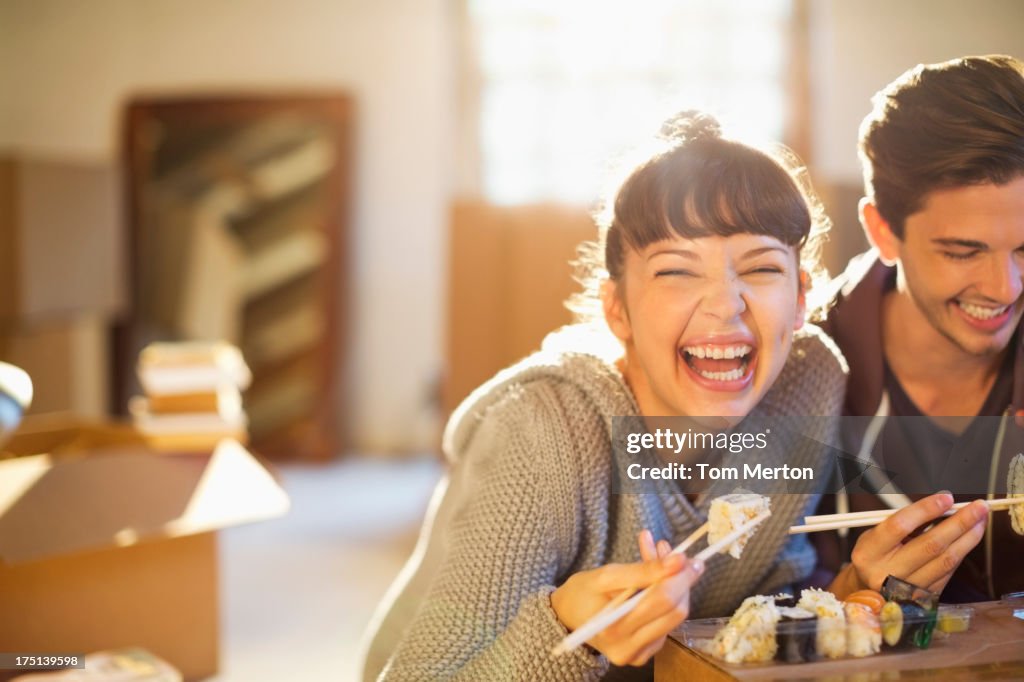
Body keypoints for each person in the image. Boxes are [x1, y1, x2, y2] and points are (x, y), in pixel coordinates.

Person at [358, 111, 958, 682]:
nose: (725, 305)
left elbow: (760, 597)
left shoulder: (808, 379)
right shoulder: (542, 432)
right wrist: (571, 629)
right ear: (616, 307)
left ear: (801, 298)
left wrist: (855, 587)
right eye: (676, 270)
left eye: (761, 269)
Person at [821, 55, 1024, 601]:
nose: (1005, 288)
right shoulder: (793, 372)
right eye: (963, 251)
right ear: (883, 232)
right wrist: (847, 595)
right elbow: (742, 608)